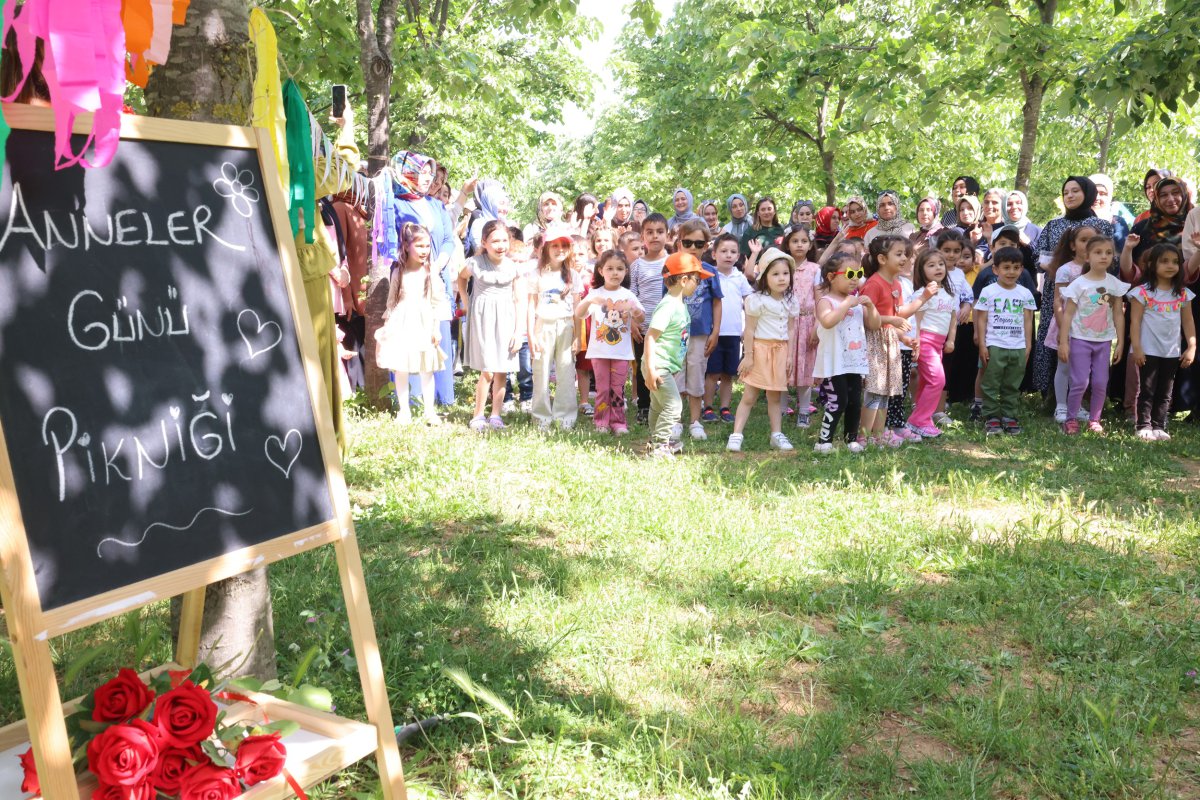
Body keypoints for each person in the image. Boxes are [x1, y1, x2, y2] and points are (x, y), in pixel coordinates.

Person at [860, 235, 934, 447]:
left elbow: (899, 314)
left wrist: (905, 338)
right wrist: (891, 320)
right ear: (882, 259)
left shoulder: (897, 285)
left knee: (886, 391)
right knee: (874, 390)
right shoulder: (873, 284)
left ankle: (879, 434)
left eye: (906, 254)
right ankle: (864, 436)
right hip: (875, 343)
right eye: (899, 254)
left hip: (890, 341)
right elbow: (867, 320)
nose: (905, 259)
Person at [726, 248, 800, 452]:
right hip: (760, 350)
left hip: (781, 351)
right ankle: (736, 434)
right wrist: (748, 356)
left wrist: (789, 356)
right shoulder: (756, 300)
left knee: (775, 397)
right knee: (749, 396)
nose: (781, 278)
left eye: (785, 273)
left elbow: (791, 330)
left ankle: (776, 434)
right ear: (765, 276)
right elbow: (749, 330)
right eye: (775, 274)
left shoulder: (791, 301)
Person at [375, 222, 446, 425]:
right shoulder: (398, 271)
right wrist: (387, 327)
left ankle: (429, 411)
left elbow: (436, 302)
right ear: (406, 246)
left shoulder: (431, 272)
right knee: (401, 367)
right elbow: (392, 302)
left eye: (427, 246)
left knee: (427, 367)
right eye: (419, 246)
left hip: (424, 322)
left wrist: (436, 328)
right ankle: (404, 411)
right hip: (402, 322)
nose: (425, 251)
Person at [1059, 236, 1130, 434]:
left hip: (1103, 341)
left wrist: (1121, 343)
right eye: (1098, 252)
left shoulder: (1115, 284)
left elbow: (1118, 314)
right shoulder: (1078, 284)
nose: (1104, 257)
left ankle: (1094, 420)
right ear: (1087, 256)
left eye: (1108, 253)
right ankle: (1071, 419)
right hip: (1080, 339)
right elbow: (1068, 315)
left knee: (1100, 382)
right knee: (1080, 381)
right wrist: (1064, 342)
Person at [644, 252, 710, 457]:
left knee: (657, 406)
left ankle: (655, 440)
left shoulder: (679, 304)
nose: (698, 285)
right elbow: (650, 337)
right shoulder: (668, 305)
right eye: (696, 280)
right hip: (658, 365)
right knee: (673, 406)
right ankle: (660, 446)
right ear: (683, 280)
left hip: (665, 365)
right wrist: (652, 369)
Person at [1129, 243, 1197, 440]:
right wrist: (1137, 348)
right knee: (1147, 389)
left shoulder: (1183, 293)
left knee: (1166, 390)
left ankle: (1159, 426)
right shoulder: (1142, 292)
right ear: (1151, 264)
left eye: (1175, 262)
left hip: (1171, 351)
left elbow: (1188, 321)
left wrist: (1192, 346)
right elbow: (1135, 322)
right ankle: (1143, 425)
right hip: (1147, 349)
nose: (1171, 265)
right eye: (1165, 261)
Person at [461, 221, 524, 431]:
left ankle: (496, 415)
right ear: (484, 243)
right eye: (495, 240)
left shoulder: (513, 267)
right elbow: (461, 279)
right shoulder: (475, 262)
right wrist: (465, 299)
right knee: (487, 369)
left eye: (504, 240)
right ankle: (478, 415)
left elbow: (519, 299)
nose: (500, 245)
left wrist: (518, 331)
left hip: (506, 318)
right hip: (483, 318)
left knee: (501, 370)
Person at [575, 249, 645, 435]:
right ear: (601, 270)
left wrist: (635, 310)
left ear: (625, 272)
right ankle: (601, 422)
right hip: (599, 353)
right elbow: (579, 314)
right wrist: (589, 301)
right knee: (602, 389)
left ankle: (618, 422)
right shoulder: (595, 293)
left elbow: (641, 319)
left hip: (621, 353)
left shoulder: (628, 295)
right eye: (610, 268)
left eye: (620, 269)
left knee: (617, 389)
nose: (615, 273)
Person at [813, 253, 877, 453]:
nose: (855, 278)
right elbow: (827, 321)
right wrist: (847, 304)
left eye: (859, 273)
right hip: (834, 363)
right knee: (837, 401)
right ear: (832, 277)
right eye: (850, 273)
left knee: (854, 402)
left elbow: (874, 325)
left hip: (854, 362)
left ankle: (851, 439)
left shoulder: (856, 303)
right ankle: (824, 441)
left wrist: (870, 307)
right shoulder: (826, 301)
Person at [974, 247, 1036, 435]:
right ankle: (991, 417)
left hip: (1017, 346)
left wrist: (1028, 345)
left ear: (1021, 269)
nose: (1011, 272)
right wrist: (983, 344)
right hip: (995, 345)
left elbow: (1028, 320)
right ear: (996, 269)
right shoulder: (988, 291)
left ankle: (1009, 416)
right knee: (991, 382)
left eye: (1016, 268)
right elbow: (982, 319)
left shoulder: (1025, 293)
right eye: (1006, 267)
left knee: (1012, 383)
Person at [1040, 225, 1097, 421]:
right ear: (1072, 246)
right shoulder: (1066, 270)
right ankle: (1061, 406)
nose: (1088, 244)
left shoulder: (1098, 270)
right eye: (1083, 240)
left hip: (1088, 327)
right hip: (1067, 324)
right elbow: (1058, 300)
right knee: (1064, 366)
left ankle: (1077, 404)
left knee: (1082, 368)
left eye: (1093, 240)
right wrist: (1063, 325)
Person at [673, 220, 724, 439]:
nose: (693, 247)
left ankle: (695, 420)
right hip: (675, 333)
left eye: (699, 243)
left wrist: (716, 331)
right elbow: (665, 301)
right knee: (676, 374)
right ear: (679, 245)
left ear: (706, 246)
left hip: (701, 333)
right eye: (688, 242)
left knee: (695, 372)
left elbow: (717, 303)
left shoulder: (710, 271)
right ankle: (675, 421)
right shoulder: (671, 269)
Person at [527, 226, 580, 430]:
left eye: (564, 245)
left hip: (566, 325)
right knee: (540, 371)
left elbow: (578, 308)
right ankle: (541, 417)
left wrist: (578, 335)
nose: (560, 249)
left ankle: (565, 416)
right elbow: (531, 306)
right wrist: (531, 334)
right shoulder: (537, 274)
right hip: (543, 325)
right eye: (555, 245)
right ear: (547, 248)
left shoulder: (572, 275)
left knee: (566, 370)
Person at [906, 249, 957, 438]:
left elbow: (953, 319)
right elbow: (916, 321)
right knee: (938, 380)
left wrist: (951, 339)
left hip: (939, 344)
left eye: (941, 264)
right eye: (931, 265)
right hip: (925, 341)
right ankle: (917, 420)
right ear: (921, 270)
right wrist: (916, 343)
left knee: (927, 381)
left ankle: (921, 419)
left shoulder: (949, 294)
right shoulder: (923, 294)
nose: (938, 268)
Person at [704, 233, 753, 424]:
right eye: (723, 251)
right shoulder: (709, 275)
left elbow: (749, 299)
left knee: (728, 374)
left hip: (733, 334)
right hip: (714, 334)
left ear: (738, 255)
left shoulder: (739, 278)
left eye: (733, 252)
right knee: (712, 373)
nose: (728, 255)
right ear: (714, 254)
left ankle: (725, 408)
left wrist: (748, 328)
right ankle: (707, 407)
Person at [630, 213, 671, 424]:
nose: (655, 236)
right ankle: (644, 407)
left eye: (660, 232)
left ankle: (665, 406)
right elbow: (631, 296)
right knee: (644, 367)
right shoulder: (637, 265)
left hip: (668, 328)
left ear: (667, 234)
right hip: (644, 328)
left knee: (666, 367)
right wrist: (633, 323)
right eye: (650, 232)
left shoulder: (672, 261)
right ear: (643, 237)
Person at [783, 227, 821, 426]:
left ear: (810, 244)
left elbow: (819, 298)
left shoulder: (815, 269)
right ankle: (781, 408)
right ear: (787, 244)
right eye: (795, 241)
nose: (799, 245)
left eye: (804, 241)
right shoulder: (782, 266)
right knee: (782, 365)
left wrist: (817, 325)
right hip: (783, 324)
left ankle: (804, 410)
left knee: (805, 366)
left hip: (807, 323)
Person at [1036, 176, 1114, 266]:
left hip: (1092, 278)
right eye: (1065, 193)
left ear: (1087, 193)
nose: (1069, 196)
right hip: (1057, 278)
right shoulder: (1053, 225)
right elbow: (1037, 255)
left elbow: (1111, 258)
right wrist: (1052, 268)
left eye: (1075, 191)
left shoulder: (1102, 225)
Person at [466, 179, 510, 257]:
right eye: (501, 204)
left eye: (507, 204)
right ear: (490, 203)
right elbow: (480, 250)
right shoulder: (479, 224)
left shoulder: (508, 225)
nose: (505, 209)